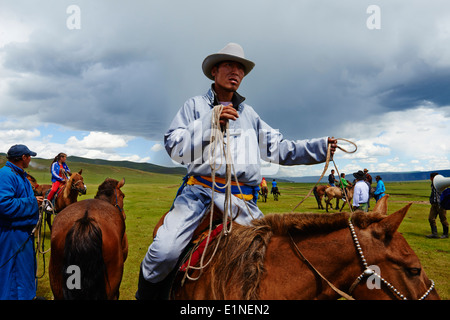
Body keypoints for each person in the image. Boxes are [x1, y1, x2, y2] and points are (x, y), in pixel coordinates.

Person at [137, 43, 337, 299]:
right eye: (229, 65)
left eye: (240, 68)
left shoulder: (250, 115)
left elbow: (279, 149)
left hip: (244, 203)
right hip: (199, 197)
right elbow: (175, 148)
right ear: (214, 72)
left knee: (275, 259)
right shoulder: (194, 106)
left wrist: (321, 148)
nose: (236, 72)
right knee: (163, 252)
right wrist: (210, 123)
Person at [0, 144, 43, 299]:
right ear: (23, 157)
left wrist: (34, 202)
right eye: (29, 156)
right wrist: (32, 203)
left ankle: (26, 295)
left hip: (23, 232)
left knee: (25, 268)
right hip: (12, 234)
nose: (30, 159)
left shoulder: (20, 175)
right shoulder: (6, 175)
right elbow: (3, 205)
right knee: (13, 270)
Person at [426, 173, 448, 239]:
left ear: (431, 178)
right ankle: (434, 233)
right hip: (434, 204)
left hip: (441, 204)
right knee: (431, 218)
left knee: (443, 219)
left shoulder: (442, 184)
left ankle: (445, 234)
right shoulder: (432, 185)